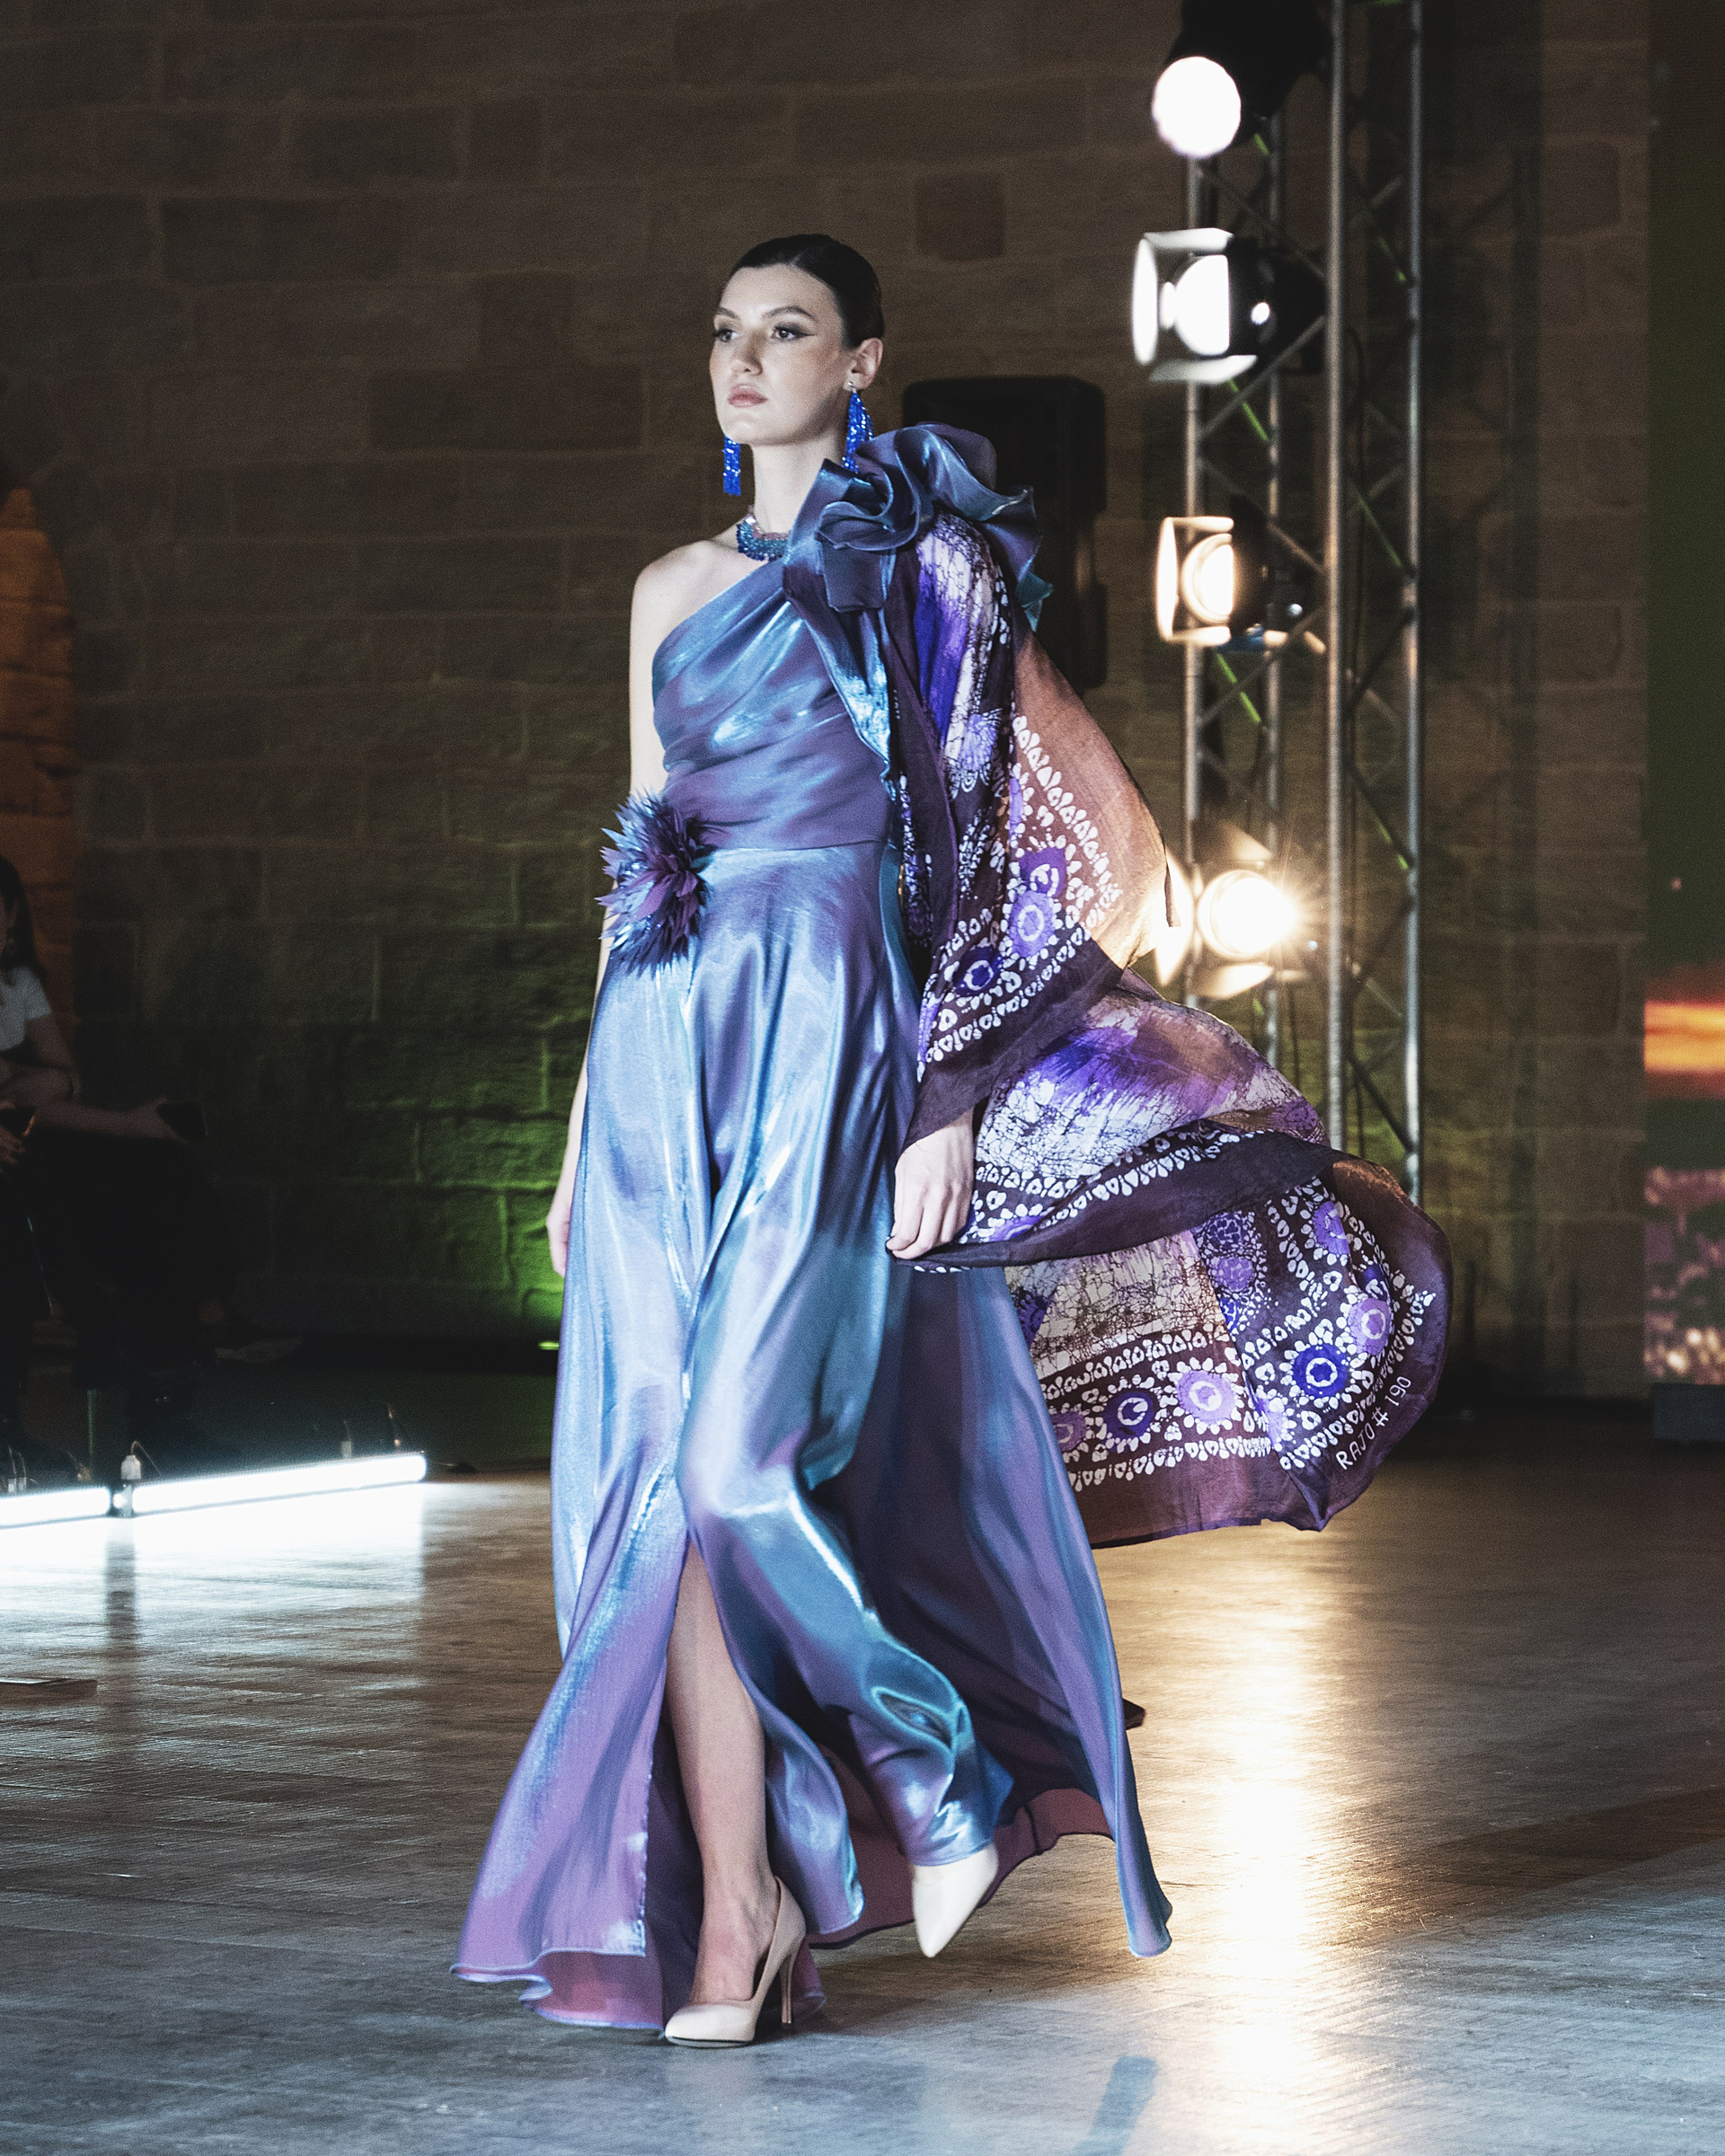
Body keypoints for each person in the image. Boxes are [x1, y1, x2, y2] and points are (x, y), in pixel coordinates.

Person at [456, 236, 1449, 2046]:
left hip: (843, 1031)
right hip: (669, 1050)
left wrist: (952, 1101)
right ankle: (740, 1914)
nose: (744, 358)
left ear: (862, 363)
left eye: (787, 331)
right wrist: (589, 1118)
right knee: (659, 1507)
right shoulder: (668, 588)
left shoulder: (928, 568)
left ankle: (936, 1773)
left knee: (741, 1467)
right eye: (725, 332)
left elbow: (1037, 854)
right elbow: (641, 858)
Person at [0, 854, 292, 1472]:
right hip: (19, 1149)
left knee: (162, 1171)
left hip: (32, 1133)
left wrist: (59, 1088)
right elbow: (30, 1091)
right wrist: (50, 1090)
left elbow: (58, 1081)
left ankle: (180, 1350)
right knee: (71, 1200)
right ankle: (142, 1346)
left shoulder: (16, 981)